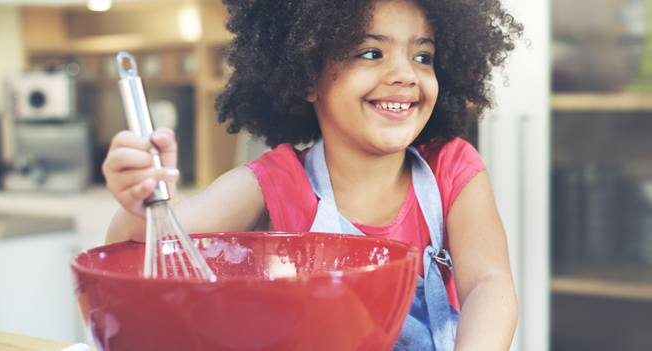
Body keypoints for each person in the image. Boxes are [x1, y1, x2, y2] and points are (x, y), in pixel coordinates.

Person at [103, 0, 522, 349]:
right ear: (307, 77)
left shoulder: (452, 167)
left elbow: (489, 283)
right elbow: (144, 250)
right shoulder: (272, 184)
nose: (405, 74)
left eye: (422, 56)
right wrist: (143, 203)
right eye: (371, 53)